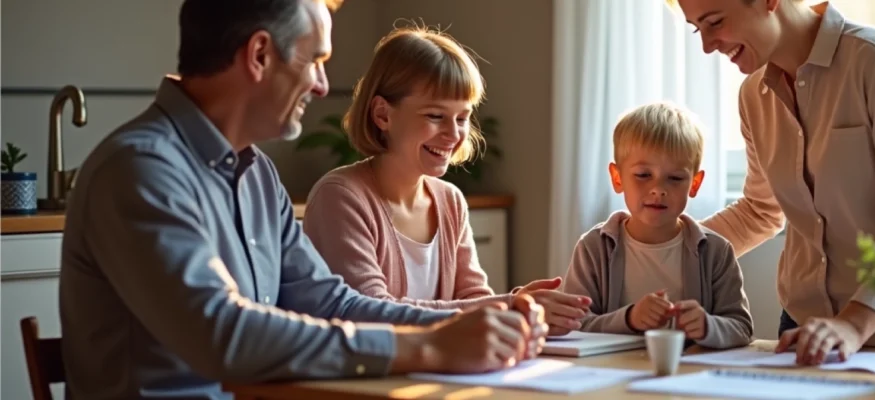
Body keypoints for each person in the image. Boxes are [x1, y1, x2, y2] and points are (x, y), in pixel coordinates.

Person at [58, 1, 546, 398]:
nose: (321, 84)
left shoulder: (258, 175)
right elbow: (222, 335)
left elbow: (331, 302)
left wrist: (473, 319)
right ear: (260, 55)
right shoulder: (141, 169)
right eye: (315, 60)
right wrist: (428, 348)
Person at [671, 0, 875, 365]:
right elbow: (760, 211)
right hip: (804, 331)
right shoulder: (753, 96)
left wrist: (855, 323)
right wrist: (660, 252)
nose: (707, 45)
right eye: (698, 28)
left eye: (714, 22)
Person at [302, 26, 592, 336]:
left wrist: (521, 310)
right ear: (382, 115)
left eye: (462, 117)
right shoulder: (341, 197)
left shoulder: (449, 200)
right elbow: (370, 312)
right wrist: (507, 305)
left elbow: (474, 300)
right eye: (435, 116)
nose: (454, 134)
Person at [561, 102, 754, 349]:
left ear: (694, 184)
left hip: (687, 377)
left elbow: (742, 327)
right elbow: (574, 324)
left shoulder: (716, 251)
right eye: (643, 175)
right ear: (617, 177)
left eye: (675, 178)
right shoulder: (594, 248)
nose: (658, 190)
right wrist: (629, 319)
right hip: (611, 374)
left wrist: (708, 326)